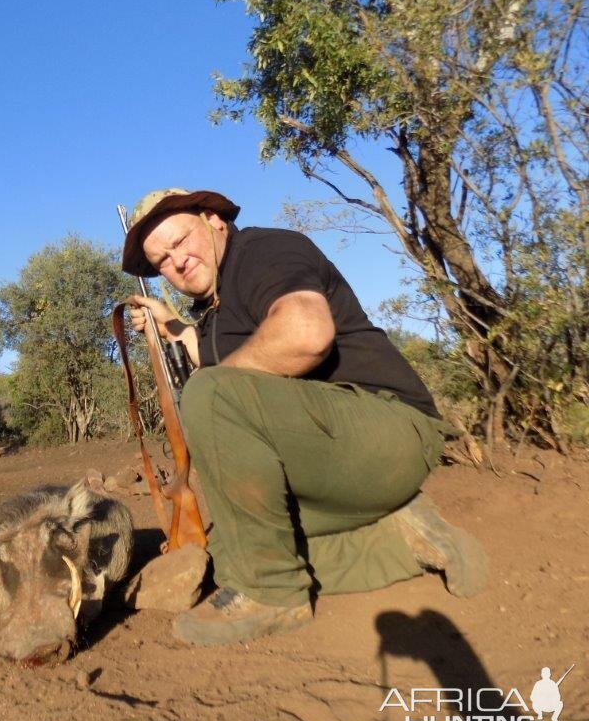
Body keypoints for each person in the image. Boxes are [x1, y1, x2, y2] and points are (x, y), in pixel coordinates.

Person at [122, 188, 488, 647]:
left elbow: (306, 333)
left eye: (180, 241)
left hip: (391, 428)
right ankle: (405, 537)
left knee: (212, 403)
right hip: (342, 461)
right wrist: (172, 328)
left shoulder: (263, 252)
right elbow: (216, 359)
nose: (175, 261)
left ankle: (270, 593)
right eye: (161, 261)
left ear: (214, 220)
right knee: (249, 542)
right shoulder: (212, 312)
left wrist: (209, 393)